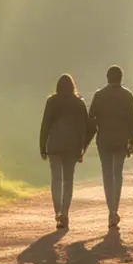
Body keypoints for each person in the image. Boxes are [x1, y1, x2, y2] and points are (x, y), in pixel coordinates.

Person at [39, 73, 91, 230]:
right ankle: (65, 214)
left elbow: (45, 125)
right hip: (71, 146)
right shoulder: (79, 103)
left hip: (54, 145)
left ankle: (57, 212)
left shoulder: (52, 102)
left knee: (56, 179)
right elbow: (84, 128)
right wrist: (82, 148)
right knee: (68, 181)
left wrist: (42, 145)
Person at [87, 66, 133, 229]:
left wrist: (85, 142)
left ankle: (111, 210)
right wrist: (132, 141)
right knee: (118, 174)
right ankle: (115, 209)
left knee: (107, 175)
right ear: (121, 78)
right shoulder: (127, 95)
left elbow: (91, 120)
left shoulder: (99, 95)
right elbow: (132, 120)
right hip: (121, 140)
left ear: (107, 78)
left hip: (104, 140)